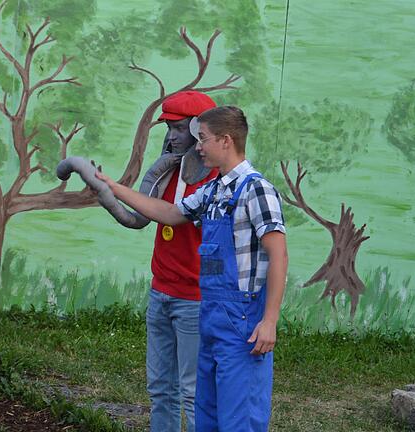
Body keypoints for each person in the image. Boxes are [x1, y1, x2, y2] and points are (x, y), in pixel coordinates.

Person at [97, 106, 288, 432]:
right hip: (211, 317)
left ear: (226, 141)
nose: (197, 146)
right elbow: (170, 213)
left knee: (239, 418)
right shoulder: (214, 192)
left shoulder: (257, 190)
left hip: (242, 323)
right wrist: (113, 187)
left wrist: (269, 321)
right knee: (208, 417)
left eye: (203, 139)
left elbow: (278, 255)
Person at [144, 91, 218, 432]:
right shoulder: (169, 169)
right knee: (160, 388)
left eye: (178, 128)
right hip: (160, 291)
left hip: (194, 298)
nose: (171, 137)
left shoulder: (217, 179)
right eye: (167, 129)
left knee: (193, 391)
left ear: (198, 129)